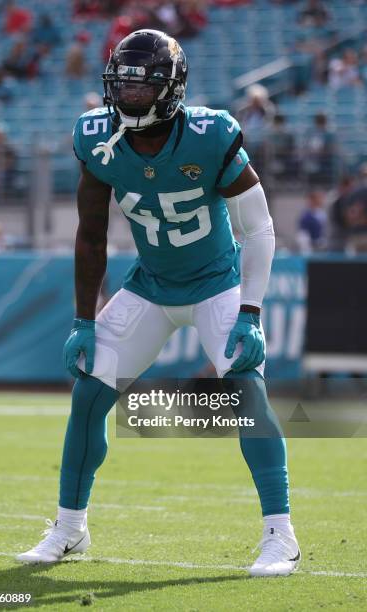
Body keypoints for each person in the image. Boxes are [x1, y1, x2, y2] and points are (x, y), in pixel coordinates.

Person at [17, 29, 300, 577]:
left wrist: (251, 310)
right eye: (121, 85)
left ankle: (280, 536)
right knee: (88, 395)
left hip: (217, 283)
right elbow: (91, 232)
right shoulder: (96, 135)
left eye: (142, 88)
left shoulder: (210, 134)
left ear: (170, 90)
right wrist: (83, 319)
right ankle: (70, 528)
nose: (128, 97)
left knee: (246, 390)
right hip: (150, 285)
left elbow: (260, 227)